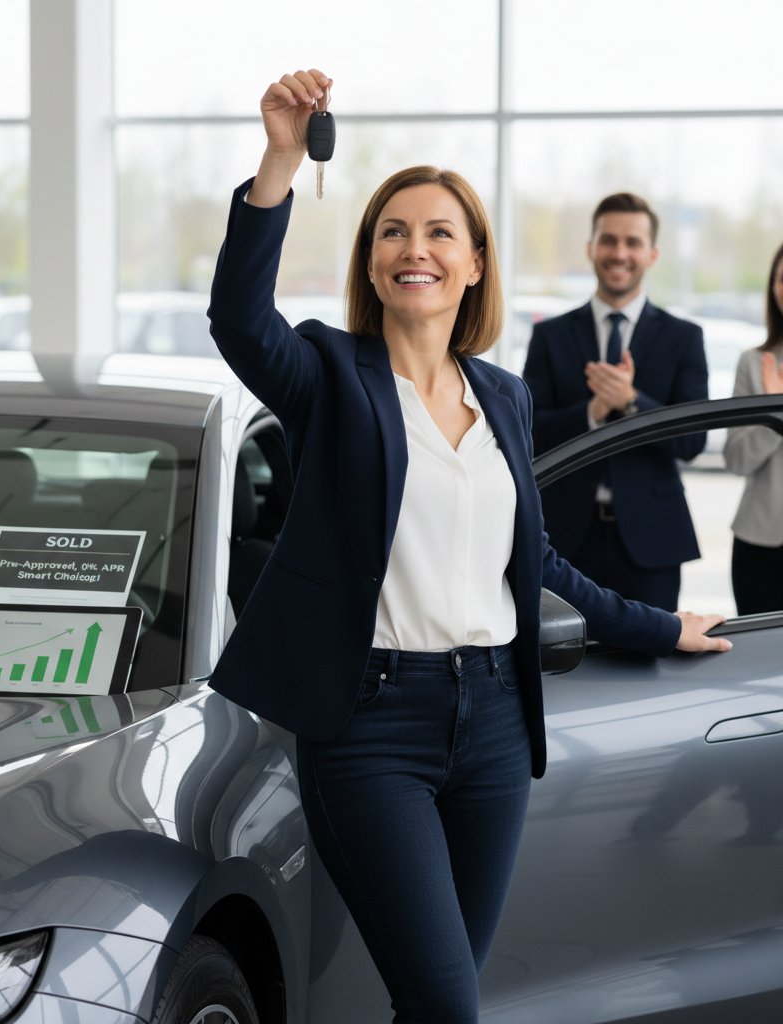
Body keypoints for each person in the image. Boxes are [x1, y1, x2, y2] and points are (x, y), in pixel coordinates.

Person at [206, 68, 731, 1024]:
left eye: (440, 231)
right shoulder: (331, 375)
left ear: (477, 263)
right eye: (394, 232)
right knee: (449, 1009)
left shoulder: (505, 396)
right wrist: (282, 159)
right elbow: (240, 322)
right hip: (370, 730)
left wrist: (662, 626)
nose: (417, 248)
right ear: (371, 263)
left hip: (492, 722)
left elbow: (534, 561)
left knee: (439, 1003)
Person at [521, 193, 709, 612]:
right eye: (608, 240)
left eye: (633, 242)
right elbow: (529, 431)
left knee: (650, 664)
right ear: (591, 248)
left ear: (652, 253)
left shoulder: (684, 337)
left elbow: (693, 440)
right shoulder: (550, 335)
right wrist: (592, 413)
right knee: (564, 666)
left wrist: (631, 401)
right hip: (565, 539)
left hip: (652, 538)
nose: (619, 253)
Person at [723, 241, 783, 615]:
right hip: (759, 543)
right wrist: (777, 416)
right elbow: (736, 459)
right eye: (780, 279)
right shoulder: (753, 362)